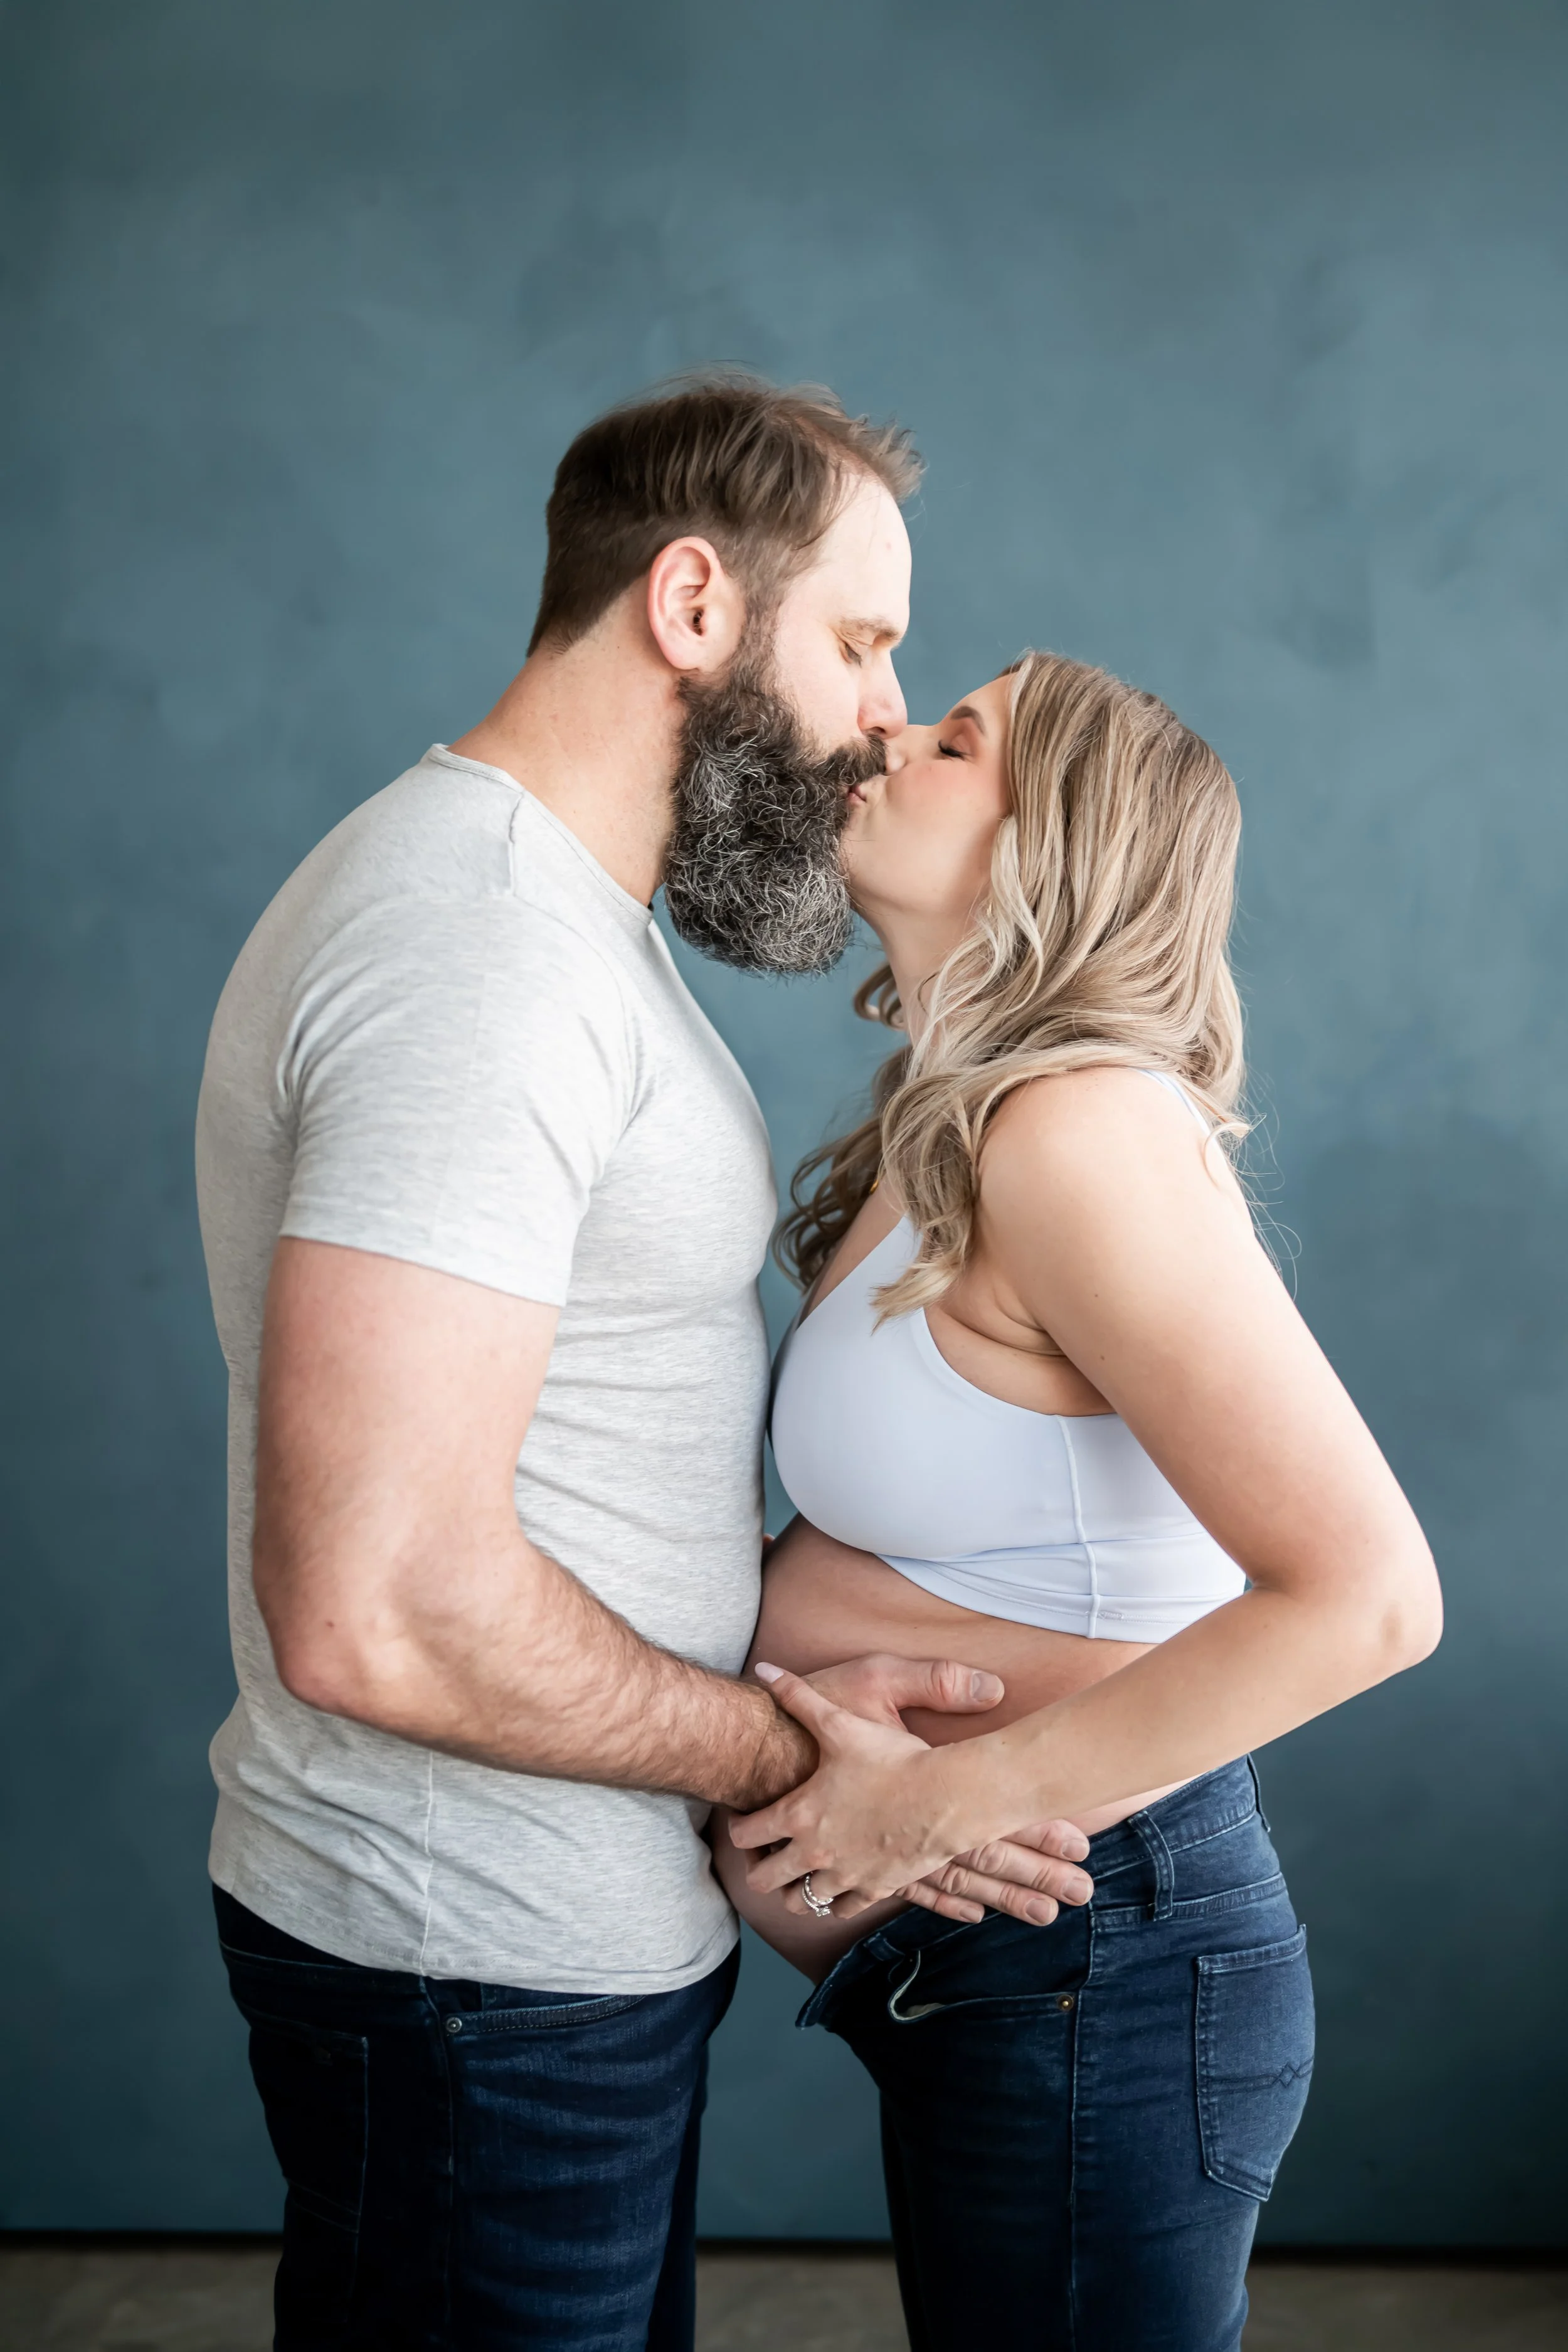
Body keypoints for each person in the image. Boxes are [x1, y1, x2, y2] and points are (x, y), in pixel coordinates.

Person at [194, 377, 1093, 2352]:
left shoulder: (566, 922)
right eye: (860, 640)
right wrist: (799, 1756)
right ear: (693, 603)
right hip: (467, 1962)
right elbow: (373, 1605)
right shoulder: (480, 950)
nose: (884, 715)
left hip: (534, 1960)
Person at [715, 651, 1443, 2352]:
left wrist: (937, 1805)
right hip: (1015, 1976)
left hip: (1092, 1959)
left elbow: (1369, 1596)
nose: (887, 729)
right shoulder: (948, 1127)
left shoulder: (1074, 1133)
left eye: (955, 737)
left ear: (1055, 842)